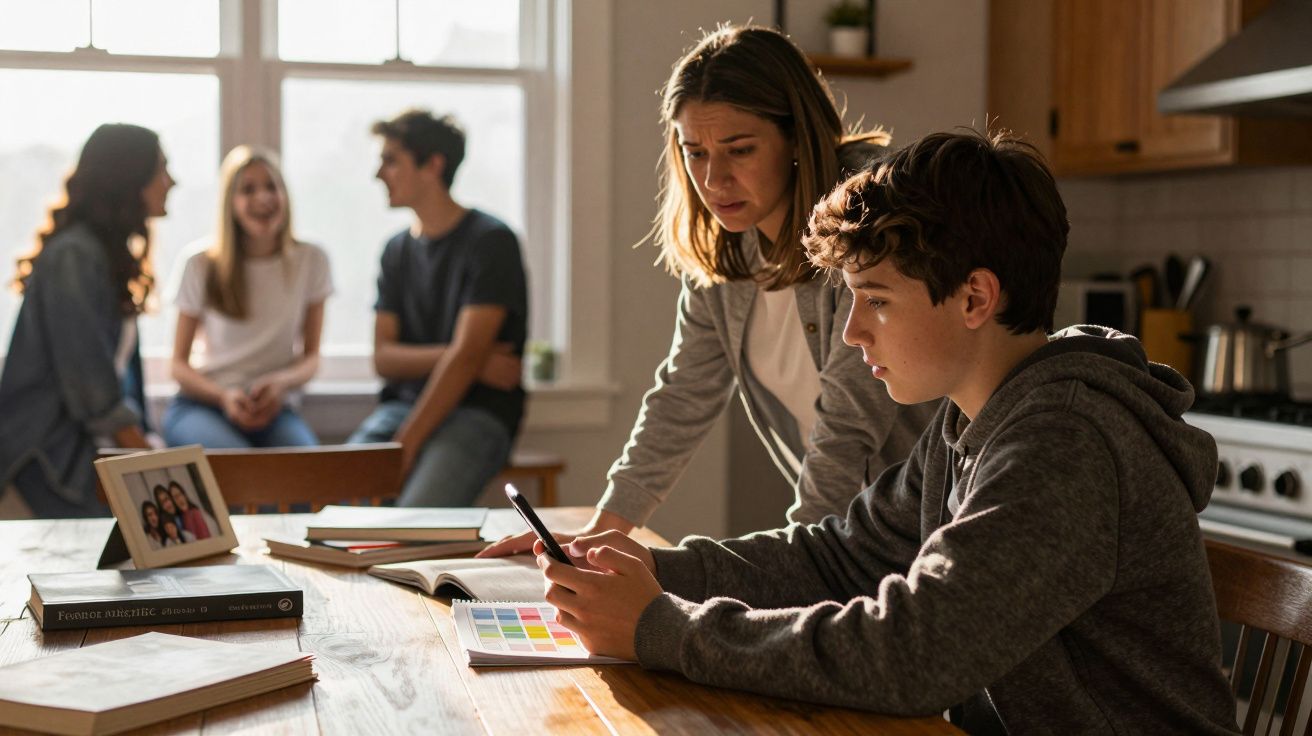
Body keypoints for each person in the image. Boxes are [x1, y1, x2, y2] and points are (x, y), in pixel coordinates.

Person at [534, 131, 1240, 734]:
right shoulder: (972, 420)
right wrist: (655, 573)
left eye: (875, 299)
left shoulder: (1067, 445)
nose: (851, 330)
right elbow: (837, 559)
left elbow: (913, 652)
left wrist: (662, 628)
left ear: (974, 297)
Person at [482, 25, 935, 556]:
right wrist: (600, 534)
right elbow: (682, 396)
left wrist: (796, 565)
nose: (714, 179)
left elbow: (847, 425)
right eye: (695, 152)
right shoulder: (730, 250)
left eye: (739, 150)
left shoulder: (865, 221)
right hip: (850, 533)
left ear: (795, 136)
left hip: (930, 525)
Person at [348, 109, 528, 507]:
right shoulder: (396, 251)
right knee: (332, 505)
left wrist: (406, 445)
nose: (379, 174)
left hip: (476, 416)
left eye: (391, 160)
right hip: (400, 410)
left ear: (433, 165)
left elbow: (464, 362)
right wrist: (469, 358)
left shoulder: (491, 242)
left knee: (413, 521)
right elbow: (384, 358)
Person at [0, 123, 172, 518]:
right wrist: (155, 469)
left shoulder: (105, 255)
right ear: (129, 178)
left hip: (82, 447)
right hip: (47, 455)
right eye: (161, 169)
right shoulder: (74, 257)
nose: (171, 182)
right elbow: (90, 385)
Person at [163, 146, 332, 448]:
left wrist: (281, 383)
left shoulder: (311, 260)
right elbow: (178, 365)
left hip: (275, 409)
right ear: (231, 203)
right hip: (203, 404)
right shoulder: (200, 264)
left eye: (271, 186)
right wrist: (223, 396)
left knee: (307, 477)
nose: (263, 198)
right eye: (248, 190)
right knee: (236, 471)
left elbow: (311, 358)